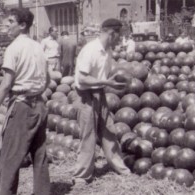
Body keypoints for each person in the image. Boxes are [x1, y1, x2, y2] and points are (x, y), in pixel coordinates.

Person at [0, 8, 50, 195]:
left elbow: (6, 85)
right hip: (40, 105)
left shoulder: (13, 48)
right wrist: (36, 92)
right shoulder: (38, 46)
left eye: (11, 22)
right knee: (40, 156)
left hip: (22, 107)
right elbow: (47, 79)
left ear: (22, 25)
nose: (6, 25)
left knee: (9, 158)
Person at [72, 18, 131, 188]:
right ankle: (81, 176)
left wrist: (116, 78)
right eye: (119, 36)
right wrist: (106, 83)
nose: (120, 39)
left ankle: (120, 168)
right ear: (112, 33)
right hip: (85, 96)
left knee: (108, 132)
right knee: (88, 136)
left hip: (100, 94)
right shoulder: (91, 50)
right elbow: (82, 78)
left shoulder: (108, 51)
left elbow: (105, 76)